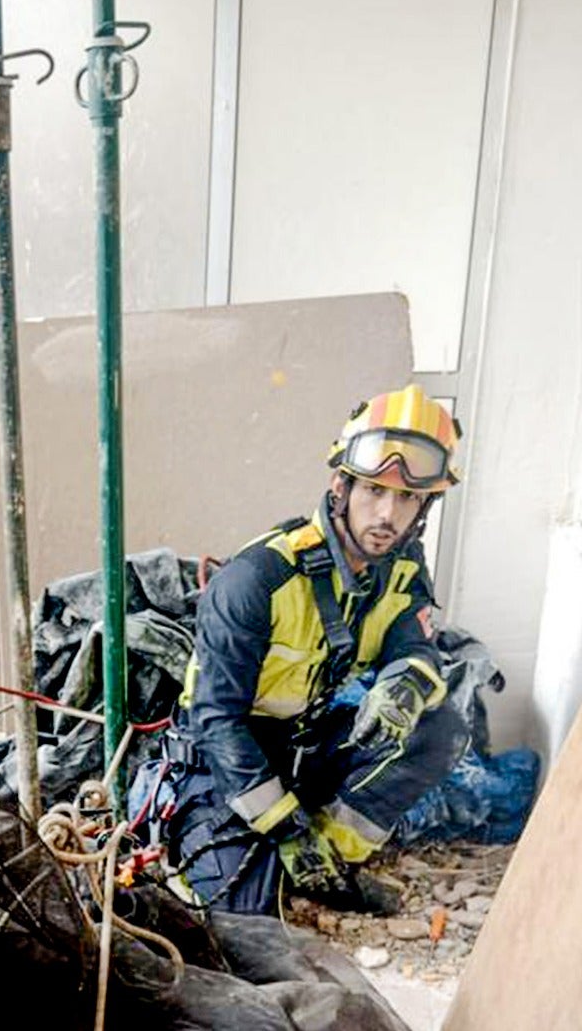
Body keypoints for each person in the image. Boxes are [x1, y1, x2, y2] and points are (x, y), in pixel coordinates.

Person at [150, 383, 469, 916]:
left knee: (440, 729)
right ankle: (279, 853)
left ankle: (328, 862)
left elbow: (414, 646)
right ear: (340, 486)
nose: (387, 514)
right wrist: (286, 828)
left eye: (407, 498)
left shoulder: (401, 571)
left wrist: (403, 687)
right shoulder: (259, 579)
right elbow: (216, 719)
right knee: (246, 915)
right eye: (374, 490)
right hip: (224, 760)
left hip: (302, 746)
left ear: (425, 506)